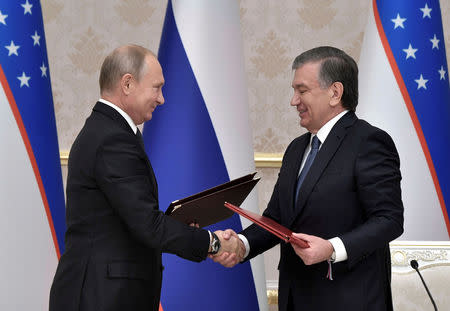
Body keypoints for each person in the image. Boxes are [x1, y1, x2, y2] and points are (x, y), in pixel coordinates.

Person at [213, 46, 404, 311]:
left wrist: (331, 248)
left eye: (302, 91)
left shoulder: (369, 142)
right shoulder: (296, 148)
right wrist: (241, 244)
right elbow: (278, 219)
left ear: (335, 93)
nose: (293, 101)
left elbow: (389, 220)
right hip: (296, 298)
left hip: (349, 300)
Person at [49, 45, 238, 311]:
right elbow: (147, 224)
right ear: (127, 84)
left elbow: (126, 218)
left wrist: (181, 226)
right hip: (101, 297)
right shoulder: (112, 138)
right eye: (156, 87)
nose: (161, 99)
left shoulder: (109, 131)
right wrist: (213, 242)